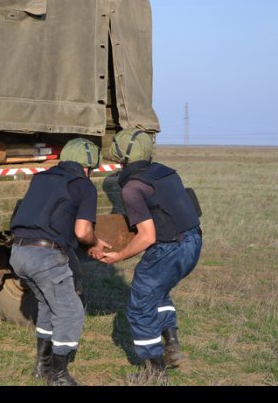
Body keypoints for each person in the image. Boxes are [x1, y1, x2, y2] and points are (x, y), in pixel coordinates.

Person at [92, 128, 202, 384]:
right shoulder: (166, 171)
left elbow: (147, 237)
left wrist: (118, 256)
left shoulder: (132, 188)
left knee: (140, 306)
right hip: (193, 241)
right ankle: (172, 345)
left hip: (169, 248)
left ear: (121, 154)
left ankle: (155, 371)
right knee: (159, 292)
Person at [9, 138, 111, 386]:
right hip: (45, 257)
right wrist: (95, 243)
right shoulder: (83, 185)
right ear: (88, 166)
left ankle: (42, 367)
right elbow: (82, 232)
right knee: (70, 312)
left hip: (18, 253)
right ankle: (59, 376)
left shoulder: (41, 177)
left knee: (47, 306)